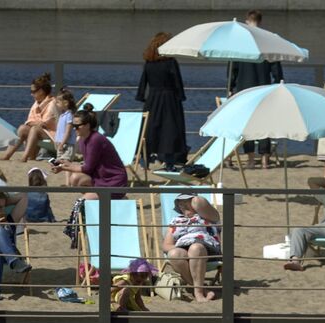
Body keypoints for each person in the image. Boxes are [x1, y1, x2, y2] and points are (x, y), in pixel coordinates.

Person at [228, 10, 284, 168]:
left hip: (244, 88)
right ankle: (265, 157)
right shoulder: (268, 41)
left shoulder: (240, 43)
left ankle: (251, 158)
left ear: (247, 22)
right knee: (265, 122)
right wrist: (278, 82)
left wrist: (231, 86)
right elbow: (276, 68)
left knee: (248, 124)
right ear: (260, 21)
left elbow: (233, 68)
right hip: (264, 88)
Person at [137, 33, 188, 169]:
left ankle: (146, 158)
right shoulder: (171, 62)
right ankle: (169, 162)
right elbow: (177, 82)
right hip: (169, 99)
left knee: (150, 129)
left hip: (153, 98)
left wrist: (141, 96)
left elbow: (143, 82)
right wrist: (181, 96)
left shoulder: (149, 63)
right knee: (170, 130)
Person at [54, 109, 128, 199]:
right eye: (73, 125)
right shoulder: (82, 139)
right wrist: (65, 163)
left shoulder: (95, 139)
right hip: (100, 178)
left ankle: (104, 198)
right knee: (75, 179)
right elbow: (89, 166)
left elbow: (87, 168)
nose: (74, 128)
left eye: (77, 126)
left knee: (81, 204)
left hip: (114, 182)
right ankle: (97, 199)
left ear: (87, 125)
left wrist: (63, 168)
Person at [162, 193, 221, 302]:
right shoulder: (176, 221)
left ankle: (198, 293)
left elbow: (198, 201)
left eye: (185, 202)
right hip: (183, 247)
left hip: (206, 248)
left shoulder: (208, 216)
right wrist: (181, 250)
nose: (182, 205)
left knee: (195, 248)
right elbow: (166, 245)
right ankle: (203, 289)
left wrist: (192, 200)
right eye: (179, 204)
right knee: (174, 254)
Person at [2, 73, 60, 162]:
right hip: (41, 132)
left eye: (33, 92)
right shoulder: (37, 103)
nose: (31, 94)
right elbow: (29, 120)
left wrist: (34, 123)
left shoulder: (52, 103)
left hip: (53, 134)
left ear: (41, 91)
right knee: (22, 128)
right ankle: (7, 155)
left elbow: (44, 123)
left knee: (34, 129)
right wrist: (34, 123)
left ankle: (25, 157)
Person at [50, 90, 79, 164]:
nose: (56, 104)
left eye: (58, 102)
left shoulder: (69, 115)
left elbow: (68, 131)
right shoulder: (63, 115)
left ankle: (69, 175)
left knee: (66, 162)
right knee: (60, 163)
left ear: (66, 103)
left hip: (67, 144)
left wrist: (62, 143)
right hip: (61, 143)